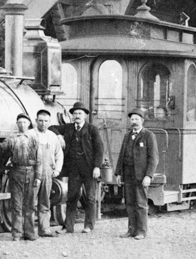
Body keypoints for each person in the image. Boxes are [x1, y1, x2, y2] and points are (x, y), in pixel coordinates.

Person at [0, 114, 42, 240]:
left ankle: (30, 233)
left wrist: (38, 177)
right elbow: (0, 151)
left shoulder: (34, 138)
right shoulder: (11, 139)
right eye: (20, 122)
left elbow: (39, 159)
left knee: (30, 205)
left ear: (29, 124)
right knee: (16, 204)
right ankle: (17, 234)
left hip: (31, 172)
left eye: (24, 122)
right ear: (17, 124)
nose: (22, 125)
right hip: (16, 172)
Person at [60, 102, 106, 234]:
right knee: (71, 197)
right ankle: (68, 227)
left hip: (89, 169)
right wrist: (58, 135)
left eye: (80, 113)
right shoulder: (68, 128)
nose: (77, 115)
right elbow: (52, 127)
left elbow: (99, 149)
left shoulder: (92, 129)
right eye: (75, 113)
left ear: (85, 115)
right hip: (74, 169)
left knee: (90, 198)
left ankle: (88, 226)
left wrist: (97, 167)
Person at [114, 109, 159, 240]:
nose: (134, 122)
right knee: (129, 203)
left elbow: (153, 158)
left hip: (141, 176)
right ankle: (131, 230)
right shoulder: (127, 135)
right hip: (128, 174)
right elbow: (122, 155)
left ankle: (141, 231)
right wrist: (118, 173)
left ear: (142, 121)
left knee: (140, 203)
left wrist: (148, 176)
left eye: (136, 119)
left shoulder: (148, 135)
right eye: (132, 119)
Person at [33, 109, 63, 238]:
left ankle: (44, 229)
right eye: (40, 121)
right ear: (36, 121)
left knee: (45, 201)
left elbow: (59, 154)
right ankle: (28, 231)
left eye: (45, 121)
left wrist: (57, 170)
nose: (43, 124)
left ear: (49, 122)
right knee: (30, 202)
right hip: (33, 173)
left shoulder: (52, 136)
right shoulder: (30, 134)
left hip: (48, 172)